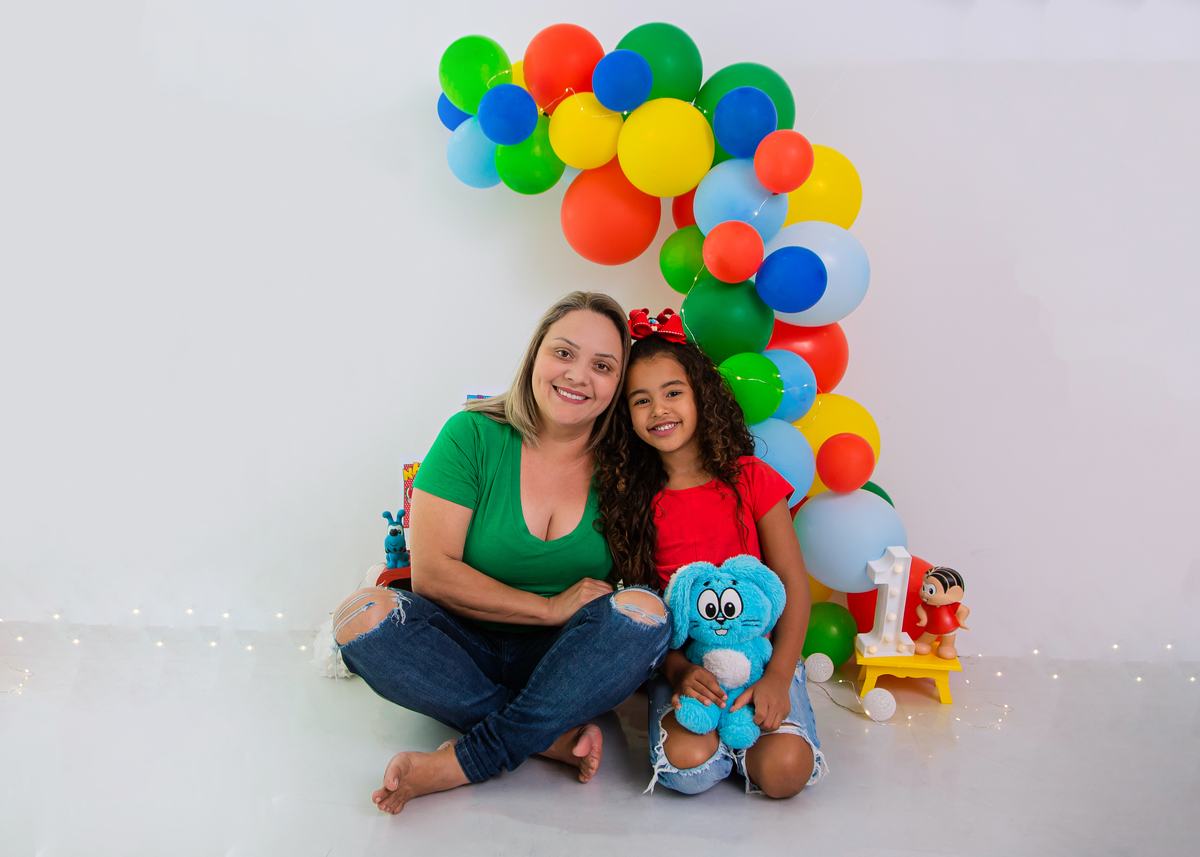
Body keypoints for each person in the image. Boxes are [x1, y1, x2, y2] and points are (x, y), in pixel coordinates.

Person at [332, 292, 670, 814]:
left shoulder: (630, 466)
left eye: (602, 366)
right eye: (564, 353)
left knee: (647, 613)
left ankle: (466, 759)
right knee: (359, 616)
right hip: (459, 647)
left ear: (618, 384)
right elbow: (432, 576)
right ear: (536, 354)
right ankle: (543, 735)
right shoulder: (471, 434)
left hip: (563, 658)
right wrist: (549, 606)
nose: (578, 375)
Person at [594, 310, 829, 798]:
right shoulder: (631, 500)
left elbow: (793, 583)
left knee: (784, 772)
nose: (659, 410)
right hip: (686, 664)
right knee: (688, 770)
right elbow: (645, 607)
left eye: (673, 393)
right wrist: (677, 670)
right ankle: (720, 744)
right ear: (625, 415)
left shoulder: (751, 478)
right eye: (641, 400)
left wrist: (778, 677)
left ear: (701, 394)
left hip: (762, 657)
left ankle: (752, 737)